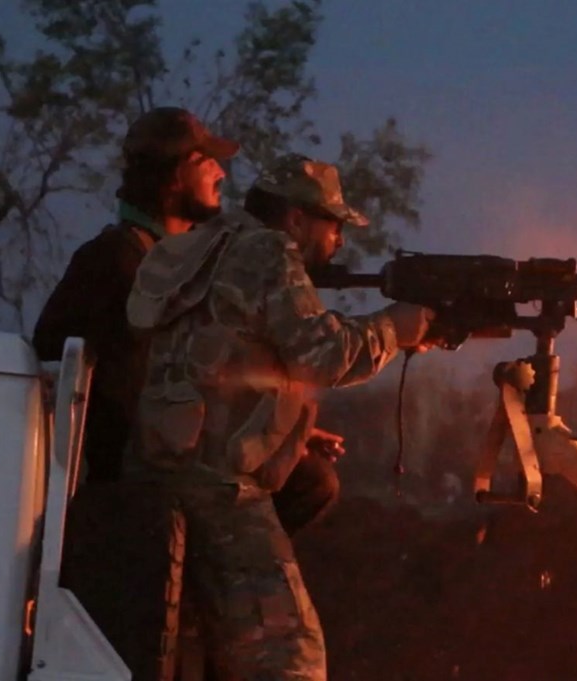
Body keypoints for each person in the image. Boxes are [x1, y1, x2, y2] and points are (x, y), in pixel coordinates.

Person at [126, 153, 434, 678]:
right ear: (295, 218)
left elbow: (226, 362)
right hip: (218, 489)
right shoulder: (267, 251)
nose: (338, 241)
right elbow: (322, 355)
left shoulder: (209, 247)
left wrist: (290, 430)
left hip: (166, 470)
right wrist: (395, 329)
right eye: (333, 225)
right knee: (289, 655)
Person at [32, 106, 236, 483]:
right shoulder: (116, 261)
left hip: (161, 461)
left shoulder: (164, 262)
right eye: (205, 161)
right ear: (175, 176)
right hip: (133, 482)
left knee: (305, 476)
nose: (219, 173)